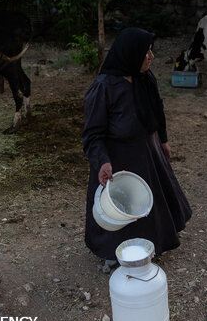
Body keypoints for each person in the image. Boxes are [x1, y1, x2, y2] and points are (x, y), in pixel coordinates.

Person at [82, 27, 192, 271]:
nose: (151, 57)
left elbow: (157, 108)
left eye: (151, 51)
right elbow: (92, 134)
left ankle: (154, 244)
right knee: (122, 207)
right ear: (131, 54)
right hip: (118, 160)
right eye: (147, 52)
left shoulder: (145, 78)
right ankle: (113, 252)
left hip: (149, 153)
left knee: (150, 203)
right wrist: (102, 161)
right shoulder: (104, 87)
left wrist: (162, 140)